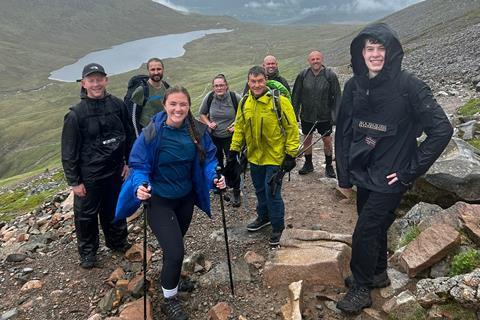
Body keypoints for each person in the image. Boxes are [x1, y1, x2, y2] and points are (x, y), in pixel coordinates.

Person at [334, 23, 453, 314]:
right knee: (372, 223)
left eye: (381, 48)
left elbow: (442, 130)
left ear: (392, 51)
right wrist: (345, 174)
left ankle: (361, 288)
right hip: (364, 171)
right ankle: (376, 273)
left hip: (392, 175)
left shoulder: (409, 86)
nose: (375, 54)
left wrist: (408, 172)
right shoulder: (354, 86)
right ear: (360, 53)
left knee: (364, 231)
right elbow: (344, 131)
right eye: (369, 48)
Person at [122, 86, 225, 320]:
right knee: (176, 251)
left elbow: (208, 159)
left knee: (174, 246)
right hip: (159, 201)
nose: (178, 109)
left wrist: (215, 176)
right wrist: (140, 185)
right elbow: (139, 164)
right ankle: (169, 299)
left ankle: (172, 281)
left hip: (184, 199)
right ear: (165, 105)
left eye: (183, 104)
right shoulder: (152, 132)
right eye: (173, 104)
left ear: (189, 107)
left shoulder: (196, 130)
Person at [61, 63, 134, 269]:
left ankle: (118, 242)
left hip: (115, 171)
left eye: (99, 79)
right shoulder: (75, 114)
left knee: (115, 210)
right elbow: (68, 151)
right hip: (89, 176)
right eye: (91, 80)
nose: (96, 84)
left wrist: (129, 162)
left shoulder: (118, 106)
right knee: (86, 216)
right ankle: (88, 253)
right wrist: (74, 182)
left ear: (106, 80)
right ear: (84, 83)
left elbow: (129, 135)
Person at [228, 66, 299, 246]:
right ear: (248, 82)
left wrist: (291, 155)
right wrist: (233, 151)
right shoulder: (245, 102)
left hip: (275, 157)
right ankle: (264, 217)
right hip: (254, 157)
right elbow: (240, 128)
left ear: (265, 80)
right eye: (253, 81)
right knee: (260, 191)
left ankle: (278, 227)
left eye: (260, 81)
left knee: (272, 192)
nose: (257, 85)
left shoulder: (279, 101)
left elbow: (291, 129)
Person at [291, 50, 341, 178]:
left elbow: (337, 97)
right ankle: (308, 164)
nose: (315, 61)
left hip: (325, 116)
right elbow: (296, 95)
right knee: (307, 139)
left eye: (317, 59)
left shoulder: (330, 76)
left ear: (322, 60)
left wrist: (335, 116)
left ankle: (329, 166)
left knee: (327, 140)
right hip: (307, 115)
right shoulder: (303, 75)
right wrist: (294, 113)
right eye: (313, 59)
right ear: (309, 61)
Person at [198, 74, 243, 207]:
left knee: (233, 163)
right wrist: (208, 123)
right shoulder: (210, 98)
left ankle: (236, 191)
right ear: (213, 87)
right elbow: (202, 114)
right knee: (216, 162)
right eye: (216, 86)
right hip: (214, 137)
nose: (219, 88)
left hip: (231, 138)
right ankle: (219, 185)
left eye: (221, 85)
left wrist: (236, 125)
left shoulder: (235, 98)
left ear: (226, 85)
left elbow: (244, 114)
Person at [130, 57, 169, 133]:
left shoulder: (167, 87)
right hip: (148, 133)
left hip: (165, 130)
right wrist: (139, 138)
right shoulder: (141, 91)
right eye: (152, 69)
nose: (156, 72)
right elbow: (134, 118)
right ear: (148, 71)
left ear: (163, 70)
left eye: (159, 69)